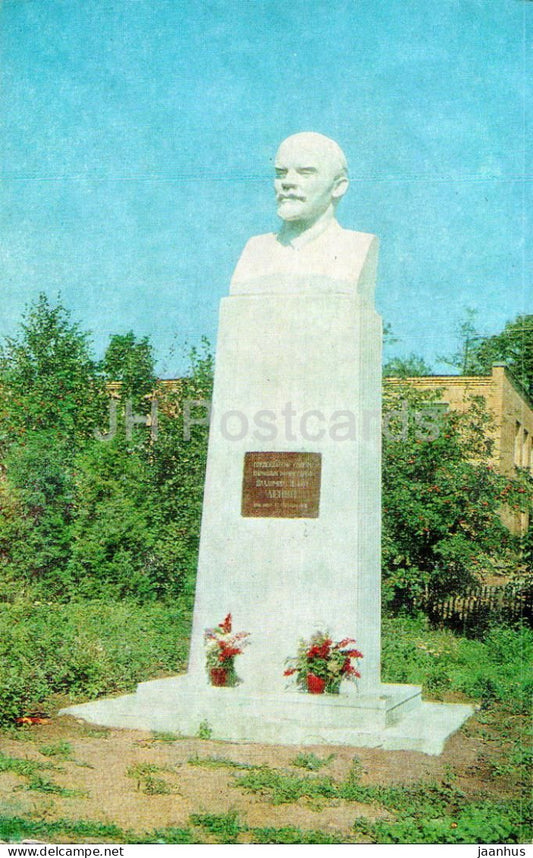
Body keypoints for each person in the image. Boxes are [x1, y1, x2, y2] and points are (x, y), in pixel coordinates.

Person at [230, 131, 378, 299]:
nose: (287, 182)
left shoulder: (355, 248)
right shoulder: (255, 250)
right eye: (281, 173)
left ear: (338, 187)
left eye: (305, 173)